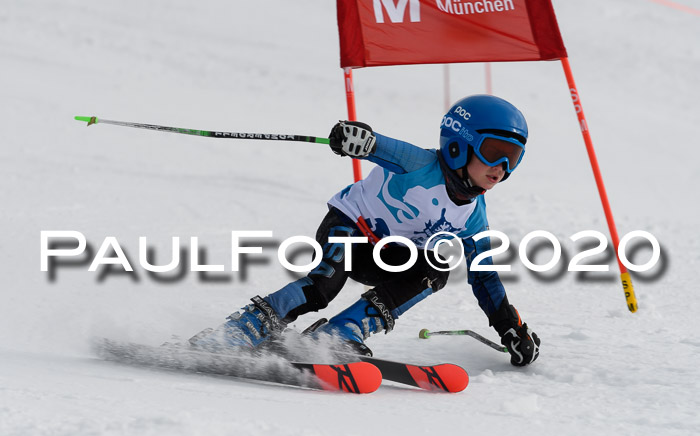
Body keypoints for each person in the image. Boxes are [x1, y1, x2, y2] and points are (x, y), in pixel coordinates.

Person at [190, 94, 540, 366]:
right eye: (494, 152)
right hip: (349, 227)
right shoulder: (419, 164)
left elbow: (485, 276)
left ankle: (337, 335)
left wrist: (510, 326)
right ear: (457, 144)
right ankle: (241, 329)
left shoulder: (474, 215)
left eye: (514, 157)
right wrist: (354, 137)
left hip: (385, 257)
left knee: (436, 269)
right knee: (322, 286)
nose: (502, 168)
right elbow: (377, 145)